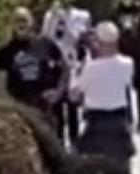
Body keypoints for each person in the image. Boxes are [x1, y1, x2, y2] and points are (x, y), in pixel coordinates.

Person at [69, 21, 136, 169]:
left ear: (99, 43)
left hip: (96, 122)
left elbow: (74, 95)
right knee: (124, 168)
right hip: (119, 121)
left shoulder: (90, 67)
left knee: (85, 167)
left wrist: (75, 72)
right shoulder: (128, 63)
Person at [0, 7, 67, 125]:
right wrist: (7, 103)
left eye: (24, 20)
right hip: (21, 107)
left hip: (45, 106)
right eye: (17, 21)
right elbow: (0, 80)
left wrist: (59, 91)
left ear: (31, 22)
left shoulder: (45, 44)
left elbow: (65, 68)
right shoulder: (5, 51)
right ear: (12, 24)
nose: (21, 24)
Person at [41, 0, 92, 146]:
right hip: (56, 66)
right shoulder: (50, 15)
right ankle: (60, 144)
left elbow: (83, 40)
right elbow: (46, 38)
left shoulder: (82, 16)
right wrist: (54, 18)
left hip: (74, 65)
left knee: (72, 107)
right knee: (56, 109)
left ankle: (75, 143)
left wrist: (67, 23)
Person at [114, 0, 140, 133]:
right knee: (124, 88)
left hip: (137, 54)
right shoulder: (117, 11)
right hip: (122, 53)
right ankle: (127, 120)